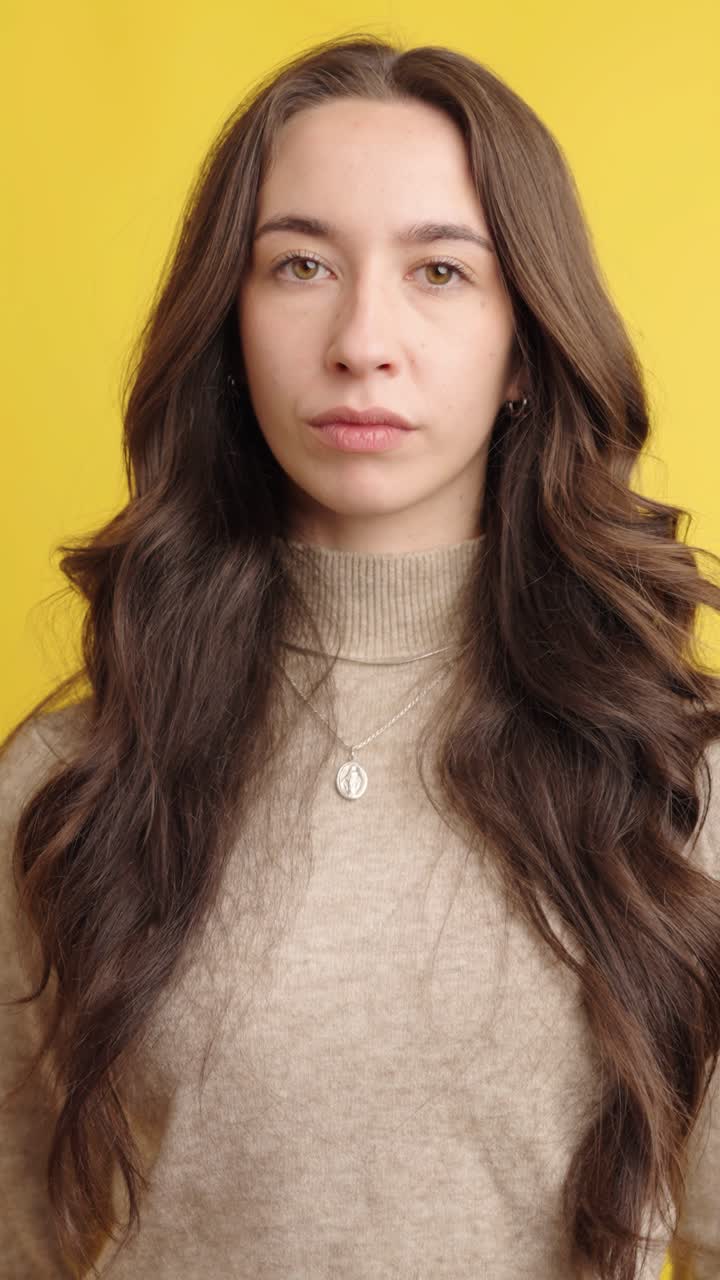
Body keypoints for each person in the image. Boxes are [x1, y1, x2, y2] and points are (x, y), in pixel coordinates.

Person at [1, 32, 719, 1280]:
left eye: (441, 269)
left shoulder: (675, 777)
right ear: (228, 323)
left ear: (523, 350)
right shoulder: (72, 779)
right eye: (299, 265)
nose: (361, 338)